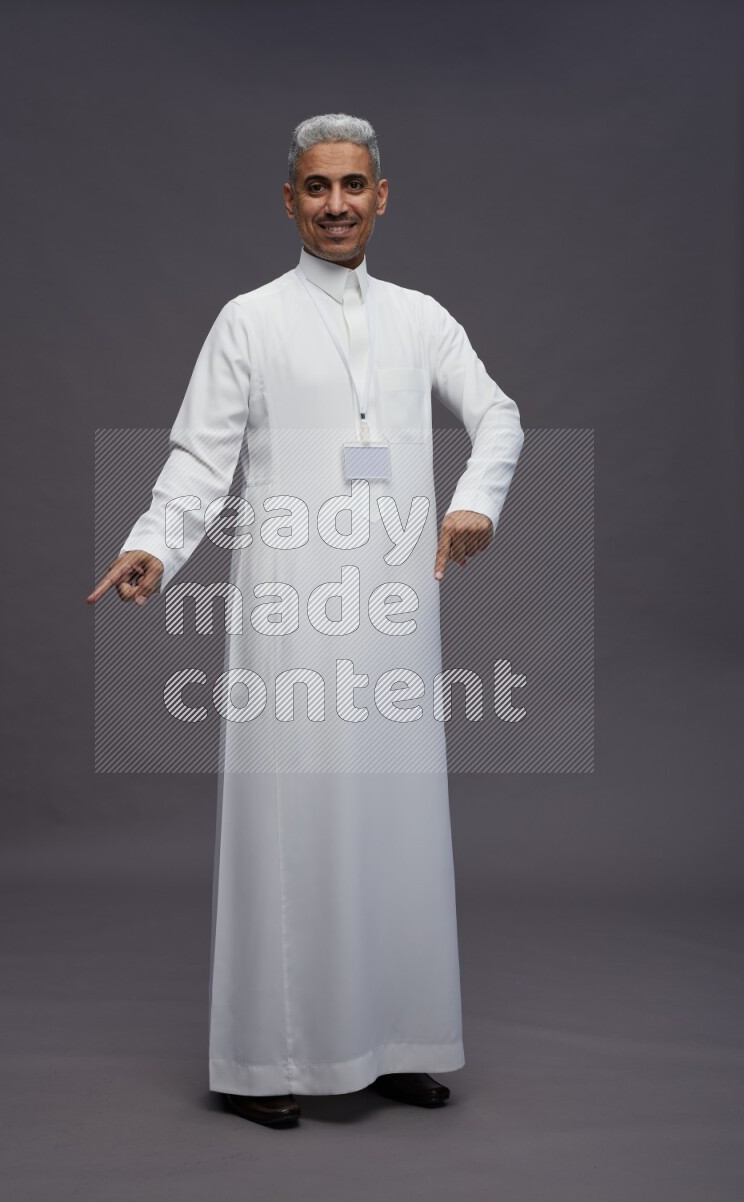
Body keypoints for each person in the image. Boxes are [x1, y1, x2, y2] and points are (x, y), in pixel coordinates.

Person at [87, 113, 524, 1128]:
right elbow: (201, 458)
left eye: (353, 186)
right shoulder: (249, 319)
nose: (336, 204)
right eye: (317, 187)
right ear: (289, 200)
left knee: (398, 822)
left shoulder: (421, 317)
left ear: (381, 196)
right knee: (294, 829)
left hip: (395, 608)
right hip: (291, 609)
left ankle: (398, 1039)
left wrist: (474, 502)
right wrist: (155, 540)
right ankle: (264, 1058)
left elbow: (496, 413)